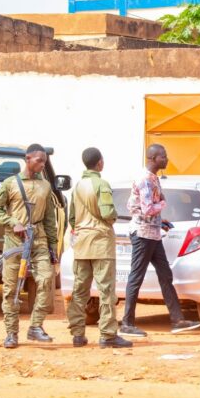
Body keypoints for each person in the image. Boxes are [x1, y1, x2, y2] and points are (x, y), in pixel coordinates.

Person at [120, 144, 200, 337]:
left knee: (165, 275)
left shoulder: (153, 178)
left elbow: (138, 207)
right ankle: (127, 323)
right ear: (153, 158)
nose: (167, 160)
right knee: (136, 277)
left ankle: (178, 320)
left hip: (153, 233)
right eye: (163, 156)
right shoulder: (145, 180)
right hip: (143, 235)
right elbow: (148, 208)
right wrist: (163, 204)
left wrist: (160, 220)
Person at [0, 143, 59, 349]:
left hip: (39, 239)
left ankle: (36, 326)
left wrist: (53, 247)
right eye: (39, 160)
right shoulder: (10, 184)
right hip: (15, 242)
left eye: (45, 161)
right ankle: (11, 333)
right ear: (27, 159)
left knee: (46, 279)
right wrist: (13, 222)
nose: (42, 164)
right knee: (11, 289)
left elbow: (49, 219)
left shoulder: (45, 186)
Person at [66, 147, 132, 348]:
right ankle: (108, 335)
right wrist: (114, 217)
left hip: (81, 243)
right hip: (101, 243)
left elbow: (72, 218)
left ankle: (78, 334)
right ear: (100, 163)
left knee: (80, 290)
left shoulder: (77, 186)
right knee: (106, 291)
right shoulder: (102, 184)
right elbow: (107, 213)